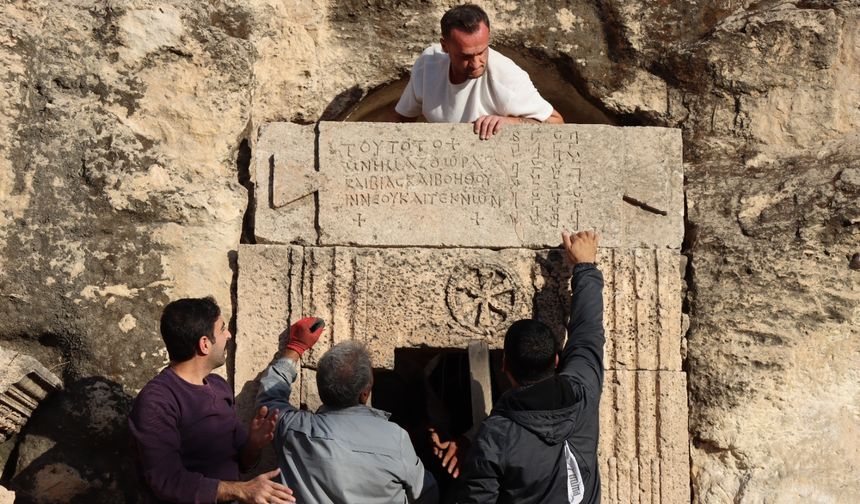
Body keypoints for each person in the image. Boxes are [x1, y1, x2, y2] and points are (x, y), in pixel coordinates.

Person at [451, 230, 605, 503]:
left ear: (504, 365)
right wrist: (585, 266)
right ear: (557, 361)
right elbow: (588, 331)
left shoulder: (496, 435)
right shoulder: (584, 392)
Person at [128, 297, 295, 504]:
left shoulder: (218, 385)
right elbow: (167, 481)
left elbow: (240, 462)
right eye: (222, 329)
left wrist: (254, 443)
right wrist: (242, 490)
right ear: (204, 344)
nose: (229, 335)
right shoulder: (157, 402)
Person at [257, 317, 439, 504]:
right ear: (365, 394)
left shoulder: (294, 429)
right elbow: (425, 492)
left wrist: (294, 349)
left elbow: (268, 400)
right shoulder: (396, 438)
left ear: (321, 388)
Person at [393, 4, 564, 140]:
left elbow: (556, 123)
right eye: (465, 56)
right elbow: (401, 120)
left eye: (482, 51)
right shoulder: (428, 64)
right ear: (445, 46)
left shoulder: (507, 77)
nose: (476, 64)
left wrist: (510, 122)